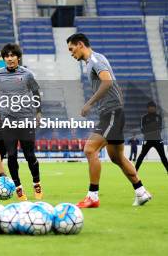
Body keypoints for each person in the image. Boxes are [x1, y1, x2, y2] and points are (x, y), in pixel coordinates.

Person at [66, 33, 152, 207]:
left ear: (80, 44)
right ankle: (141, 191)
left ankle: (93, 196)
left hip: (111, 112)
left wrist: (89, 103)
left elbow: (108, 82)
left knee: (90, 150)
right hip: (114, 111)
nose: (71, 53)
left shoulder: (95, 60)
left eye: (71, 48)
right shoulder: (96, 59)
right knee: (117, 157)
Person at [0, 43, 43, 201]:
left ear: (18, 57)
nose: (10, 58)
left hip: (26, 120)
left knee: (29, 155)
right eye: (7, 56)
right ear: (4, 58)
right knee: (11, 155)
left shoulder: (27, 74)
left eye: (13, 55)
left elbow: (36, 93)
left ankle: (37, 183)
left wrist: (38, 112)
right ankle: (18, 188)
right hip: (8, 121)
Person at [135, 101, 168, 172]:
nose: (152, 109)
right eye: (150, 107)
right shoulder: (144, 117)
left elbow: (159, 128)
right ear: (147, 108)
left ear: (155, 108)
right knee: (141, 156)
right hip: (147, 140)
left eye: (153, 107)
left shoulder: (158, 117)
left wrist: (149, 128)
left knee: (163, 157)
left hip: (158, 139)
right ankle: (135, 170)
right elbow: (142, 130)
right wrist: (152, 128)